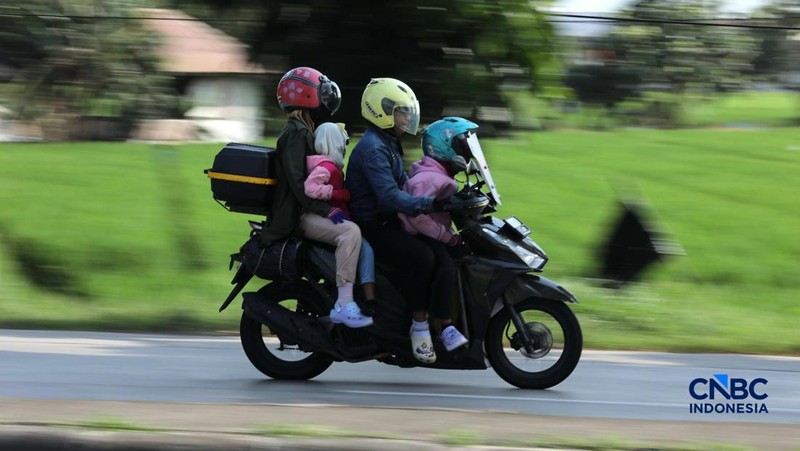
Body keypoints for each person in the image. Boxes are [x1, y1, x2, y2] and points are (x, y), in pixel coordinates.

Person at [346, 77, 450, 363]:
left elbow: (405, 185)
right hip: (373, 225)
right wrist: (431, 203)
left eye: (406, 112)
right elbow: (390, 196)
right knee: (422, 258)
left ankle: (446, 326)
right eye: (401, 111)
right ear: (382, 111)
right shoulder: (373, 149)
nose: (406, 117)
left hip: (388, 220)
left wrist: (442, 193)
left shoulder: (387, 143)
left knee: (441, 251)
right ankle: (419, 328)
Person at [261, 66, 372, 328]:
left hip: (306, 209)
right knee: (350, 233)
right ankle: (344, 303)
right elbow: (300, 184)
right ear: (306, 96)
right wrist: (326, 210)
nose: (325, 99)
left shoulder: (304, 131)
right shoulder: (296, 134)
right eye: (320, 93)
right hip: (299, 214)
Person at [398, 117, 478, 353]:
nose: (466, 153)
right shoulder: (429, 179)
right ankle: (444, 326)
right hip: (418, 235)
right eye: (462, 147)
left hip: (431, 234)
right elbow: (418, 217)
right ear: (444, 147)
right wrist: (449, 238)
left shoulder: (440, 175)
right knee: (445, 266)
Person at [305, 122, 378, 308]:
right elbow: (311, 188)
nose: (344, 148)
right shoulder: (327, 167)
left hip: (331, 216)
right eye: (342, 143)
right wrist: (339, 194)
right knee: (361, 244)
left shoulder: (330, 166)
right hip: (326, 218)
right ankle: (356, 299)